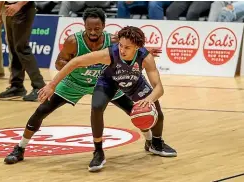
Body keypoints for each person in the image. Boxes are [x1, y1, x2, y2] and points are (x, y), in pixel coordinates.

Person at [3, 8, 161, 165]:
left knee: (136, 111)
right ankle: (20, 148)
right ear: (84, 26)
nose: (93, 32)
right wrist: (77, 67)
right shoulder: (73, 41)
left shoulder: (113, 41)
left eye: (97, 29)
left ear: (104, 26)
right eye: (89, 28)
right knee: (41, 110)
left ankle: (149, 142)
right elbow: (59, 63)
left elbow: (130, 47)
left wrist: (144, 52)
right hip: (74, 83)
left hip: (105, 83)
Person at [40, 26, 177, 172]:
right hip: (109, 82)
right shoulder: (109, 54)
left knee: (156, 111)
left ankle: (156, 143)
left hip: (134, 82)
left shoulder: (145, 57)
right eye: (121, 45)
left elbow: (159, 88)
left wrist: (149, 99)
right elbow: (75, 62)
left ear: (137, 47)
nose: (122, 50)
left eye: (127, 47)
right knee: (97, 107)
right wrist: (52, 85)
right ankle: (98, 152)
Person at [0, 1, 46, 101]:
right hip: (9, 8)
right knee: (14, 49)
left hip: (23, 8)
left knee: (22, 48)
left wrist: (19, 5)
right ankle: (17, 86)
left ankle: (39, 86)